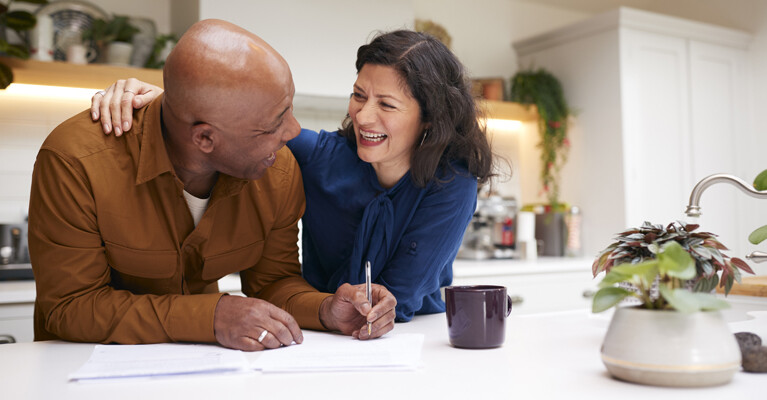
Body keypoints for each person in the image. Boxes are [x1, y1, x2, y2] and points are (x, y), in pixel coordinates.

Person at [28, 19, 396, 352]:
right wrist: (212, 317)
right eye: (273, 125)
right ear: (205, 139)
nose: (293, 132)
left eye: (289, 108)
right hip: (78, 372)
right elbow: (70, 306)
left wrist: (326, 308)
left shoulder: (277, 169)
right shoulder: (75, 162)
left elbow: (273, 282)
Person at [91, 30, 494, 321]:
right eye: (358, 95)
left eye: (386, 104)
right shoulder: (322, 157)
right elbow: (234, 124)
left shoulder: (452, 184)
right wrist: (162, 100)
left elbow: (398, 297)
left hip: (406, 336)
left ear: (430, 119)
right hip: (320, 325)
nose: (363, 116)